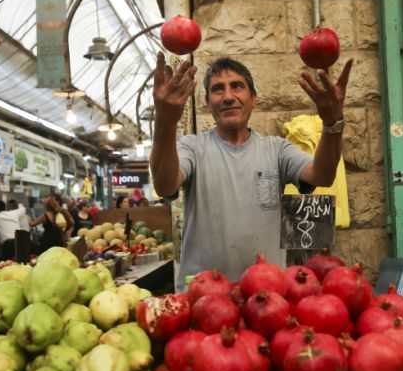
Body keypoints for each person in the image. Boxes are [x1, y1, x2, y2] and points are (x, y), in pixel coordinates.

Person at [150, 54, 353, 290]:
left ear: (253, 98)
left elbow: (323, 175)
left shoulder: (277, 149)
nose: (228, 97)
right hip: (203, 297)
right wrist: (165, 121)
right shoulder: (192, 147)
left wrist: (332, 124)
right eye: (218, 89)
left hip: (265, 299)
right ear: (207, 102)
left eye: (237, 86)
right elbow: (164, 185)